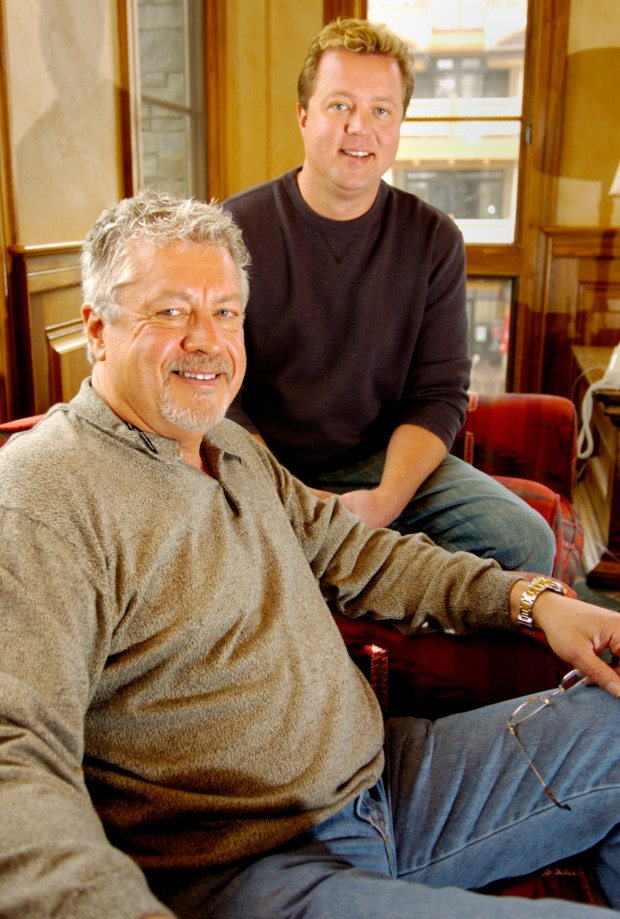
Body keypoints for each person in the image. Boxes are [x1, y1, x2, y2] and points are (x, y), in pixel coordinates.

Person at [2, 189, 620, 919]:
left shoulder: (229, 444)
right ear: (98, 329)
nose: (207, 340)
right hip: (253, 868)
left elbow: (366, 556)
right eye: (171, 311)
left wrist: (535, 601)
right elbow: (15, 755)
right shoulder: (43, 494)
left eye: (225, 311)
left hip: (388, 780)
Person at [224, 18, 556, 574]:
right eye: (339, 106)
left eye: (381, 110)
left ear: (400, 124)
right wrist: (280, 495)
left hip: (383, 462)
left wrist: (385, 502)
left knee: (523, 540)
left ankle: (358, 567)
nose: (361, 128)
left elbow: (439, 393)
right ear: (303, 116)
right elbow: (218, 391)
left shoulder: (434, 239)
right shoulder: (232, 228)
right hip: (265, 460)